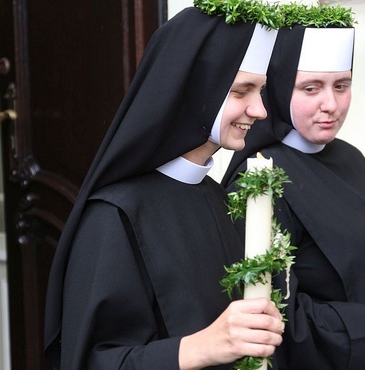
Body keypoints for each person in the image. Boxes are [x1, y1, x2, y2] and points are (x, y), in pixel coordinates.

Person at [43, 3, 287, 369]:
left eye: (261, 91)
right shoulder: (115, 214)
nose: (260, 110)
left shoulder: (218, 198)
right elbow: (91, 360)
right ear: (195, 89)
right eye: (242, 91)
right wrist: (202, 347)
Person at [222, 19, 365, 369]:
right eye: (311, 88)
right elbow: (270, 316)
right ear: (279, 89)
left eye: (341, 85)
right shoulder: (259, 181)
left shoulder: (348, 157)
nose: (331, 104)